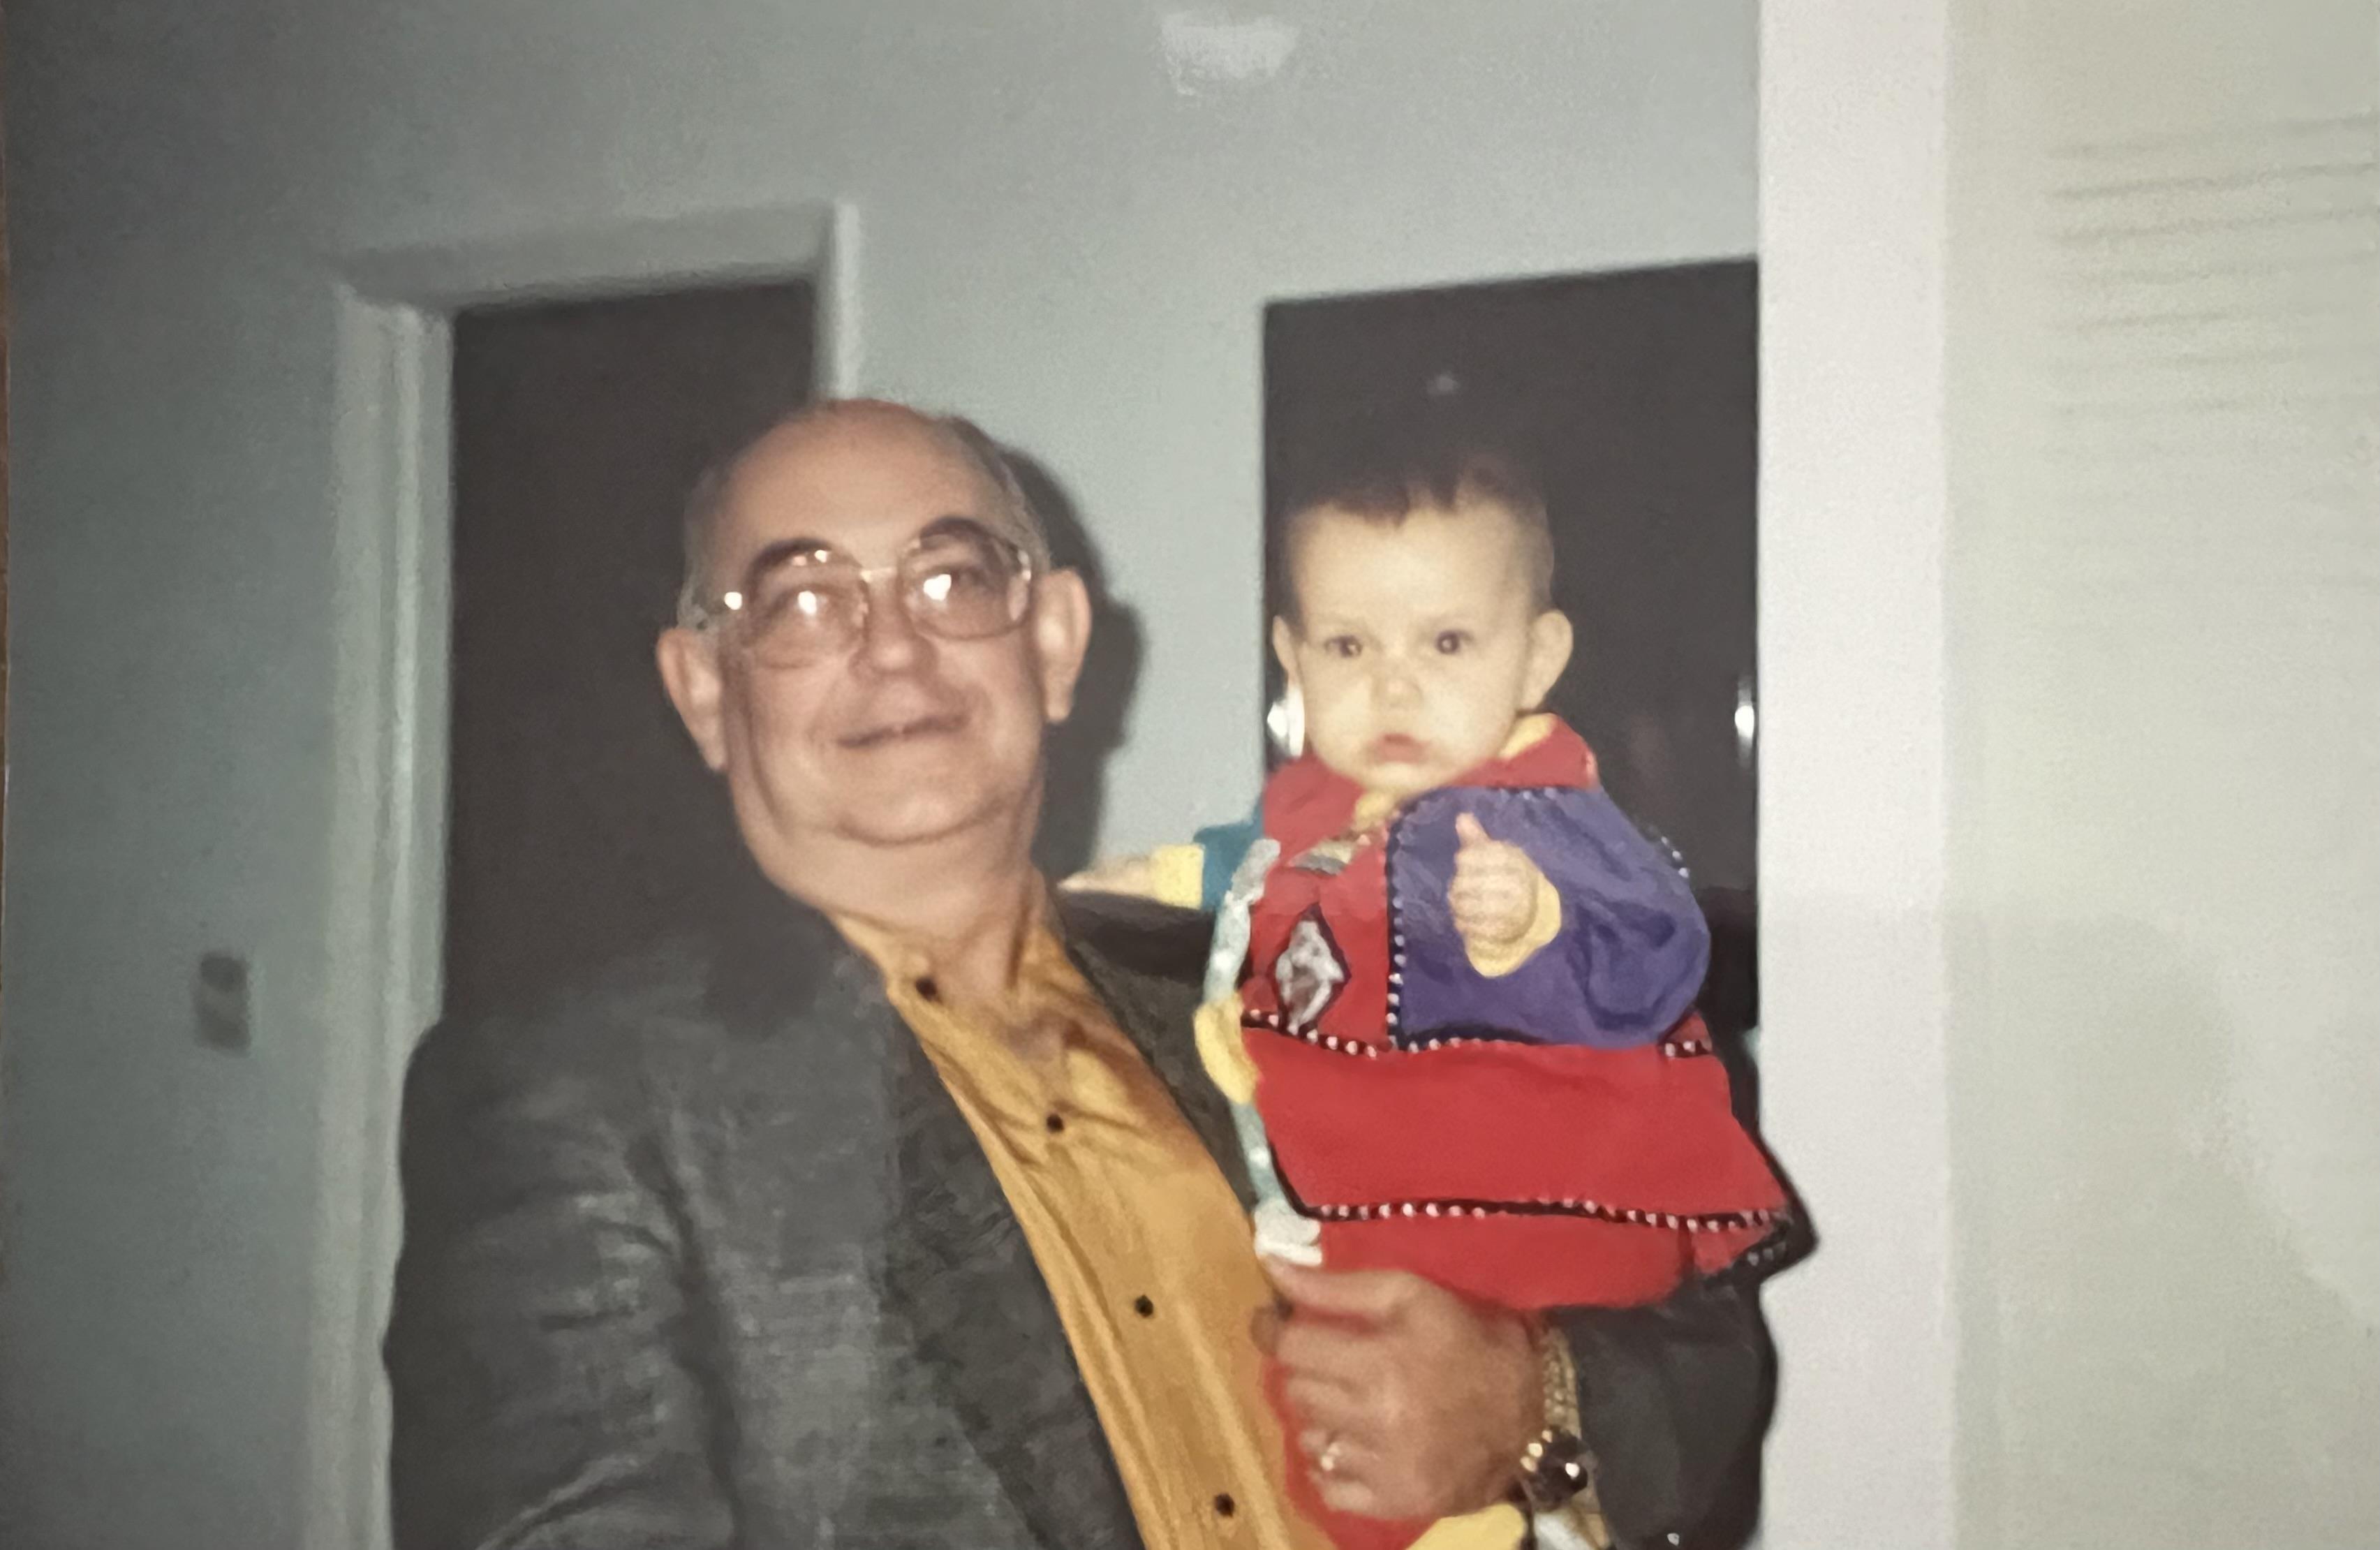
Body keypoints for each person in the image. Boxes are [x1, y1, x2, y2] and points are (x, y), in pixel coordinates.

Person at [383, 399, 1782, 1550]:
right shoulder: (573, 1099)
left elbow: (1702, 1351)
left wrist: (1526, 1404)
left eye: (951, 579)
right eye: (802, 599)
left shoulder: (1257, 972)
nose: (891, 646)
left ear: (1051, 642)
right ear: (705, 688)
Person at [1073, 431, 1796, 1550]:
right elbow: (1246, 865)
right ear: (1291, 657)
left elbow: (1652, 941)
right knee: (1328, 1392)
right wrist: (1154, 877)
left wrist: (1537, 918)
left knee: (1401, 1401)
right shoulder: (1313, 807)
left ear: (1537, 659)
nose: (1393, 683)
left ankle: (1462, 1523)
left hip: (1533, 1193)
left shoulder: (1543, 811)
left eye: (1447, 641)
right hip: (1383, 1193)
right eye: (1347, 644)